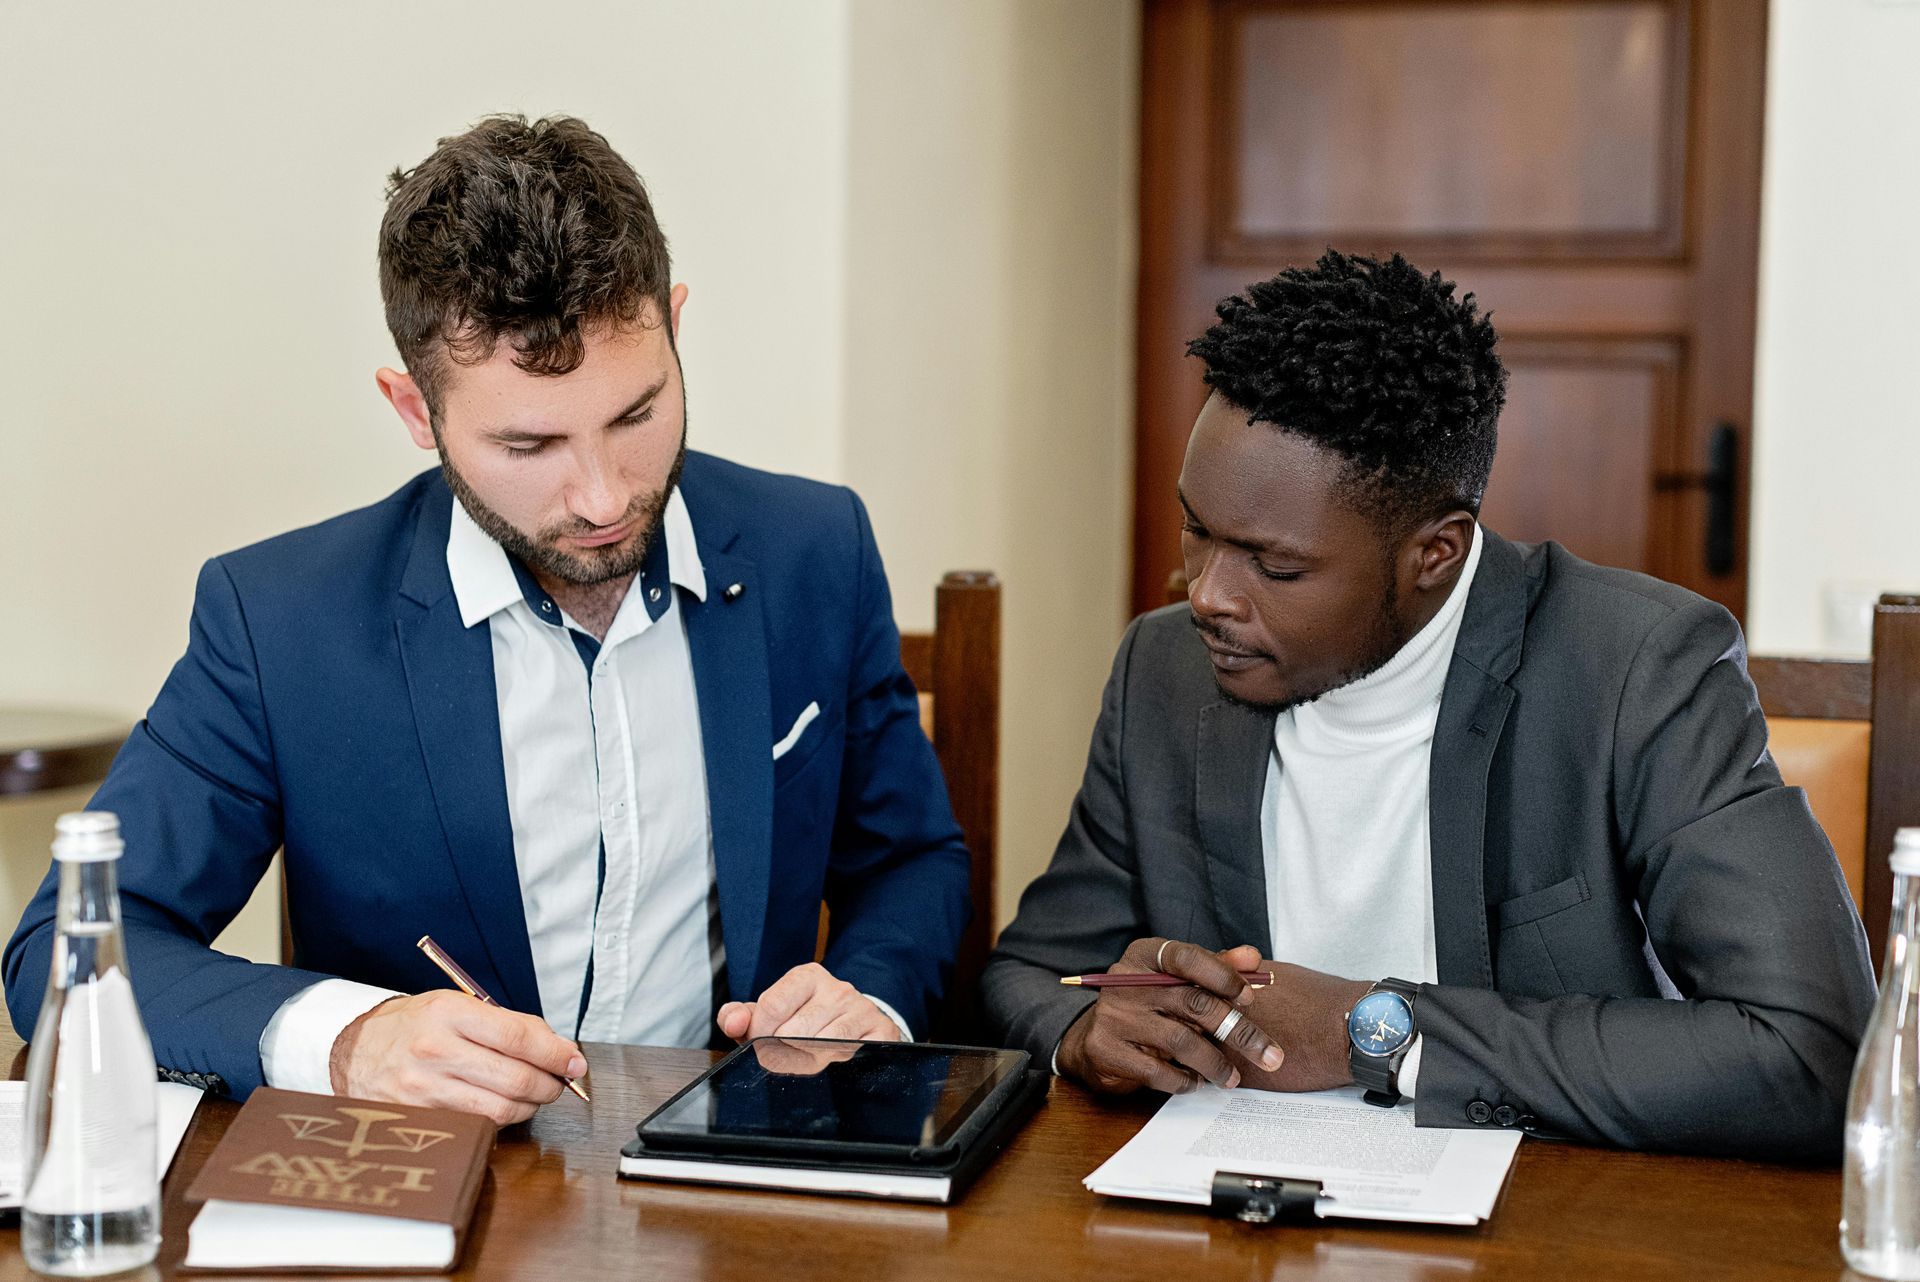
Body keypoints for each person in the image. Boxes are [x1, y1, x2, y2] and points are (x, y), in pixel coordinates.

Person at [4, 115, 971, 1124]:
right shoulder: (280, 621)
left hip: (740, 1190)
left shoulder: (815, 548)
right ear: (415, 411)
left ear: (676, 327)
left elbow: (910, 858)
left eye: (636, 416)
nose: (602, 497)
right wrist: (348, 1041)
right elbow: (67, 951)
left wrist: (874, 1004)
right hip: (438, 1201)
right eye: (529, 443)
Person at [982, 249, 1875, 1160]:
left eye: (1275, 565)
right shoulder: (1161, 668)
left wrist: (1378, 1030)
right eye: (1197, 530)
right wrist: (1088, 1032)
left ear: (1436, 553)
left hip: (1557, 1218)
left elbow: (1812, 1053)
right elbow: (1033, 972)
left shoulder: (1638, 670)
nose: (1209, 592)